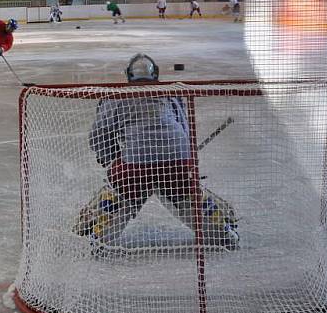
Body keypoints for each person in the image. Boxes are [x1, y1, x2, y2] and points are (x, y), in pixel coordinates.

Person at [73, 54, 239, 250]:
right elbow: (184, 130)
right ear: (156, 73)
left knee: (119, 186)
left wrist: (112, 160)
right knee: (185, 191)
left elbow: (99, 135)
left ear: (128, 75)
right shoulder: (169, 93)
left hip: (134, 165)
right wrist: (183, 157)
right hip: (177, 160)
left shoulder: (115, 96)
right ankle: (220, 229)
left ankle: (97, 234)